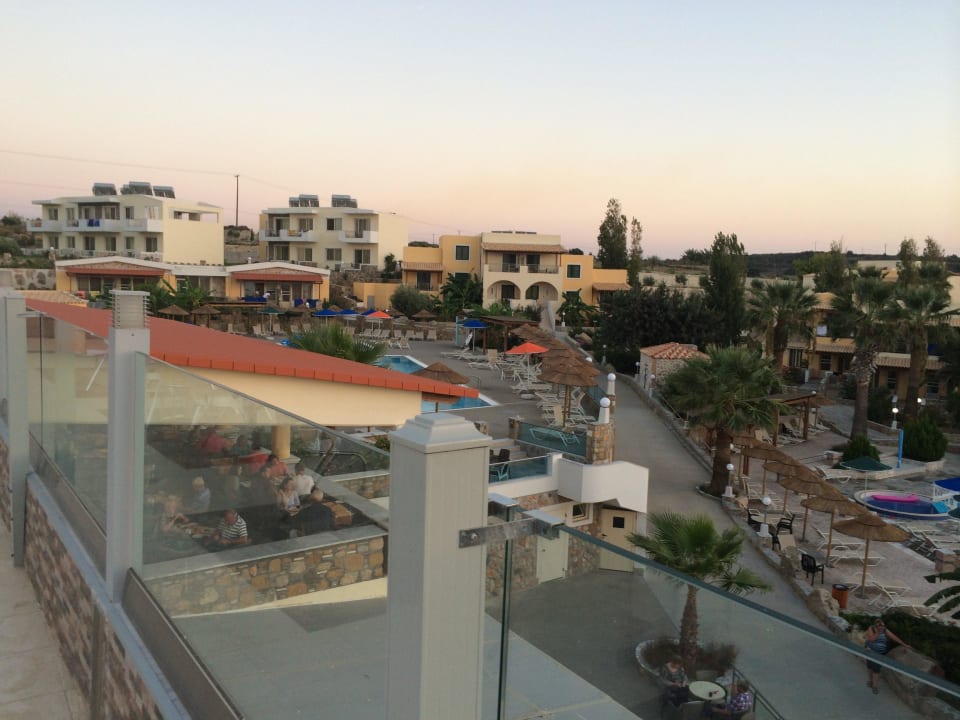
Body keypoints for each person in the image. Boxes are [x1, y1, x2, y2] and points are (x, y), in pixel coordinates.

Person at [865, 618, 910, 694]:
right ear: (875, 625)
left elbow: (894, 637)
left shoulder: (885, 630)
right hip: (870, 651)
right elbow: (871, 639)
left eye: (883, 625)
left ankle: (875, 686)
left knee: (876, 669)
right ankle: (870, 681)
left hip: (879, 654)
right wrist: (878, 633)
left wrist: (904, 644)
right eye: (880, 625)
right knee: (870, 667)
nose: (882, 627)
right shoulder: (871, 628)